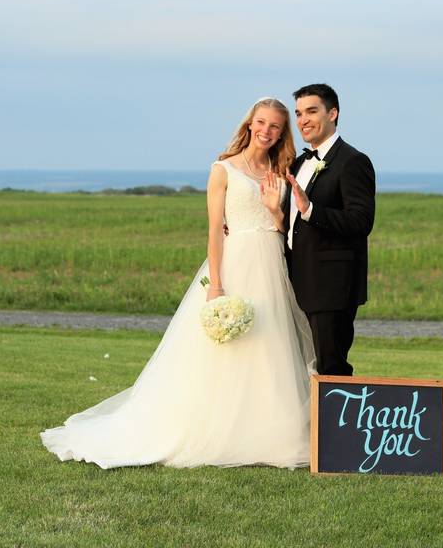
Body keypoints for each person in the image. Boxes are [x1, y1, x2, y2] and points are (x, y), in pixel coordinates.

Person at [40, 97, 317, 469]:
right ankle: (218, 429)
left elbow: (285, 230)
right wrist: (216, 284)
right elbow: (215, 234)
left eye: (275, 127)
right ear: (250, 124)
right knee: (229, 350)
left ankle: (266, 431)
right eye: (262, 123)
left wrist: (274, 211)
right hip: (237, 264)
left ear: (282, 133)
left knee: (269, 345)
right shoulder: (223, 170)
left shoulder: (281, 170)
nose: (267, 131)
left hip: (271, 263)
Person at [284, 84, 375, 376]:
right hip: (295, 279)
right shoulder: (299, 163)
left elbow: (361, 222)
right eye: (298, 113)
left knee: (330, 367)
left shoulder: (352, 161)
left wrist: (312, 210)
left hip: (331, 285)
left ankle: (334, 423)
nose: (303, 120)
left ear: (333, 113)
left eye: (312, 111)